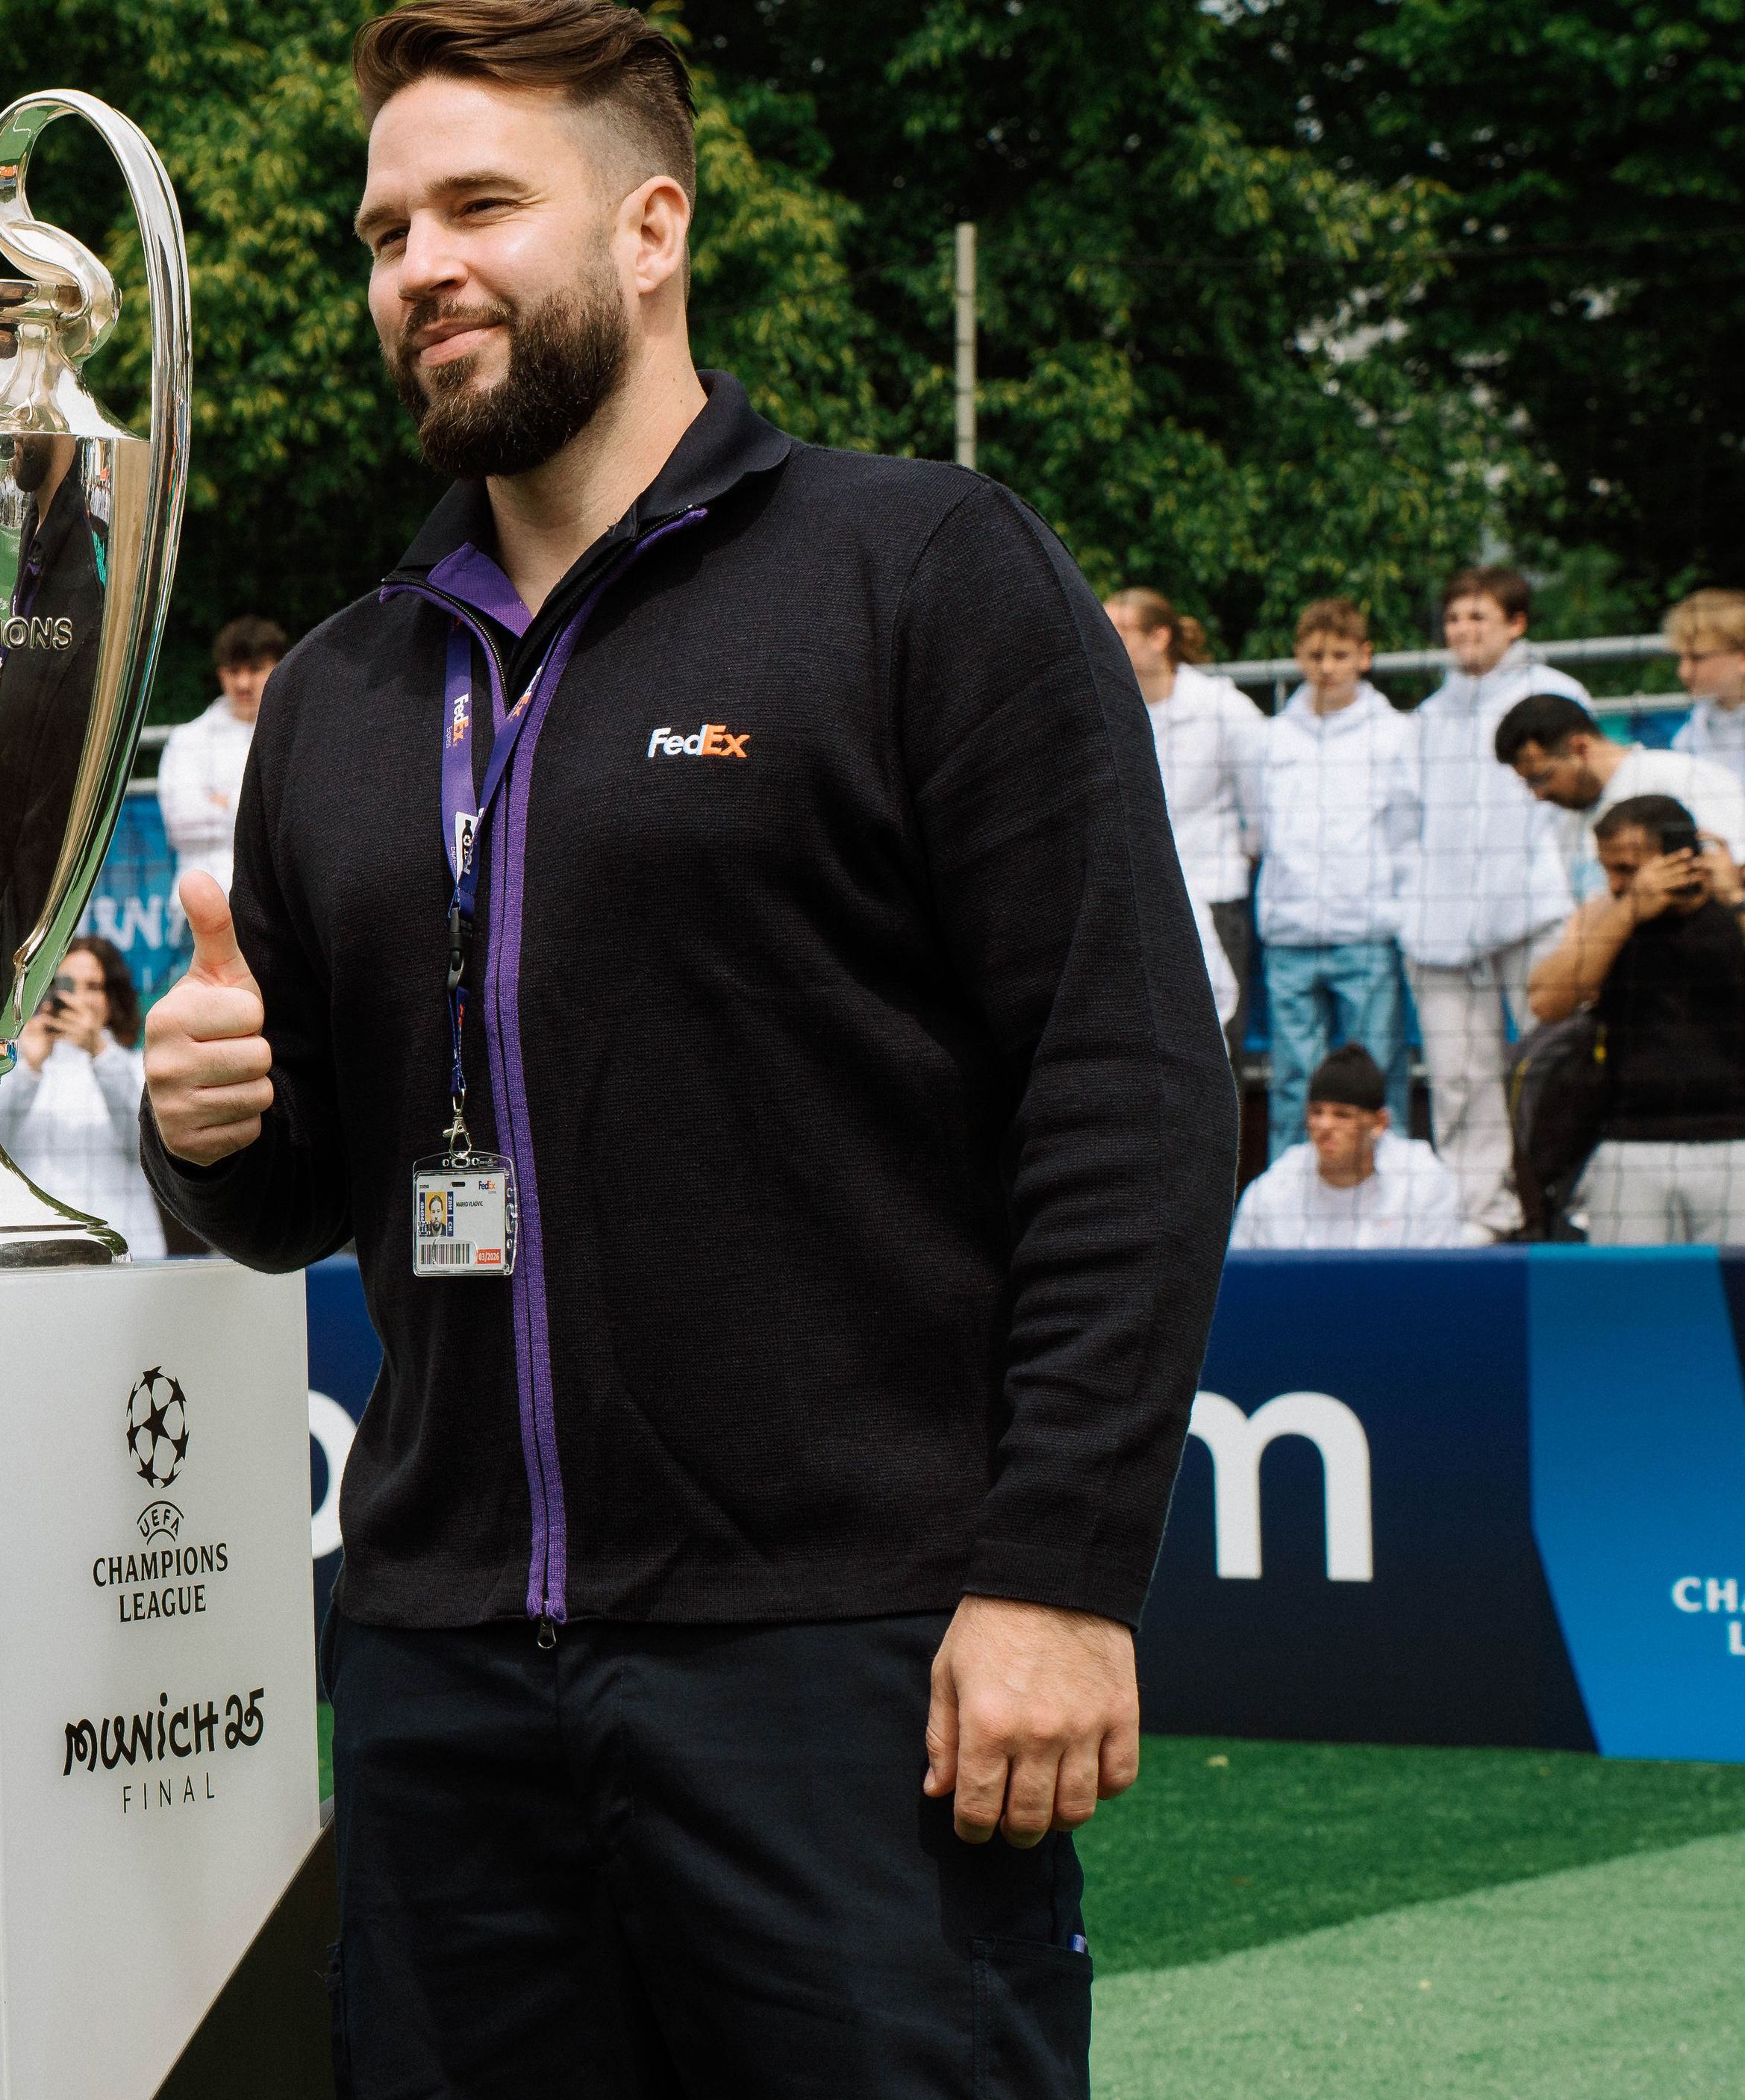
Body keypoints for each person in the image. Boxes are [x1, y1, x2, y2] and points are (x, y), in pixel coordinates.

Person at [136, 5, 1236, 2089]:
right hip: (443, 1667)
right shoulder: (352, 690)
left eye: (477, 205)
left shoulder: (917, 567)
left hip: (847, 1659)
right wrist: (205, 1122)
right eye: (382, 231)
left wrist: (1056, 1576)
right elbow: (298, 1197)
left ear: (650, 230)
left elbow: (1132, 1098)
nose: (417, 267)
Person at [1407, 563, 1596, 1234]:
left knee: (1557, 1065)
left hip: (1536, 911)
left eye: (1477, 616)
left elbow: (1580, 807)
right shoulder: (1427, 716)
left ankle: (1570, 1202)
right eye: (1453, 617)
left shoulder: (1558, 695)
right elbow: (1406, 821)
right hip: (1439, 925)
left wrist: (1579, 904)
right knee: (1460, 1081)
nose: (1462, 630)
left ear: (1515, 623)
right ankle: (1481, 1215)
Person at [1526, 793, 1745, 1243]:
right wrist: (1627, 912)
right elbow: (1547, 1003)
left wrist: (1736, 900)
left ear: (1680, 857)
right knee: (1627, 1305)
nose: (1615, 883)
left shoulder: (1733, 911)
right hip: (1630, 1144)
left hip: (1735, 1143)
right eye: (1608, 869)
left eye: (1627, 869)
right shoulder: (1606, 916)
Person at [1251, 597, 1420, 1140]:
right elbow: (1259, 828)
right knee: (1294, 1078)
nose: (1326, 667)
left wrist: (1393, 910)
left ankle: (1386, 1189)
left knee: (1374, 1072)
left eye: (1339, 654)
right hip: (1290, 934)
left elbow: (1405, 833)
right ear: (1298, 656)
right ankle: (1289, 1199)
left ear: (1363, 657)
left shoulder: (1394, 734)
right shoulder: (1273, 737)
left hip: (1365, 931)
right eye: (1315, 654)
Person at [1105, 586, 1267, 1019]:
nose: (1106, 638)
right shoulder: (1104, 710)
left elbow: (1260, 807)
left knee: (1221, 1036)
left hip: (1214, 894)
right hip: (1136, 899)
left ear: (1160, 637)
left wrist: (1238, 853)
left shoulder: (1225, 707)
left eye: (1120, 629)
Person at [0, 934, 163, 1257]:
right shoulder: (18, 1063)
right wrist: (29, 1067)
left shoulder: (139, 1064)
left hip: (127, 1249)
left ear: (111, 998)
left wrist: (99, 1050)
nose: (78, 997)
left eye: (93, 987)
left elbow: (145, 1144)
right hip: (39, 1253)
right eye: (67, 983)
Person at [1228, 1045, 1467, 1249]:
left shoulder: (1424, 1181)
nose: (1325, 1125)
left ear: (1380, 1122)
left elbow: (1440, 1286)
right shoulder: (1271, 1191)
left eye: (1342, 1116)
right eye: (1316, 1112)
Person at [1498, 689, 1745, 855]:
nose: (1538, 795)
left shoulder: (1681, 777)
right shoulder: (1568, 823)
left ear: (1580, 748)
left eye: (1541, 778)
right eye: (1528, 784)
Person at [157, 616, 287, 901]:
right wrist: (255, 807)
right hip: (203, 902)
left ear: (280, 670)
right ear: (220, 674)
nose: (243, 682)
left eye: (254, 670)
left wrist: (222, 801)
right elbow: (182, 824)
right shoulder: (188, 738)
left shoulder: (295, 736)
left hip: (280, 903)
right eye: (233, 671)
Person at [1660, 588, 1745, 775]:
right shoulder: (1691, 729)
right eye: (1681, 658)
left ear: (1742, 659)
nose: (1683, 671)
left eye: (1697, 658)